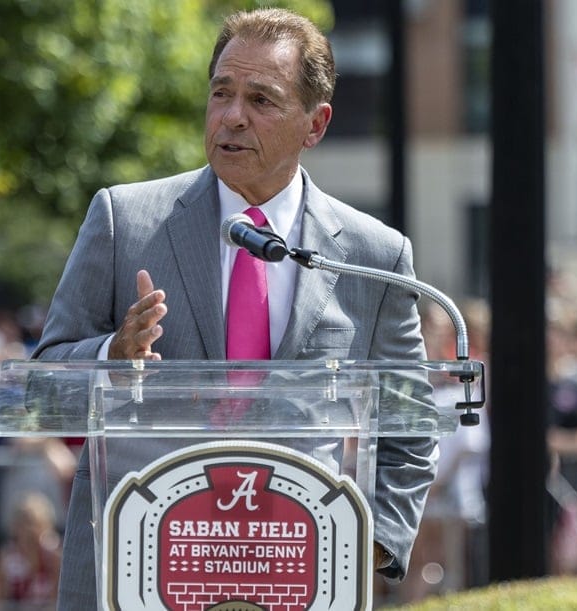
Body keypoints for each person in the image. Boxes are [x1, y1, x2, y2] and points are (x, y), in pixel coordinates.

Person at [32, 8, 436, 608]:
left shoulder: (371, 256)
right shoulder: (125, 221)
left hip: (301, 575)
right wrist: (112, 356)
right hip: (139, 572)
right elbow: (42, 389)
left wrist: (365, 543)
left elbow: (412, 426)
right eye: (221, 93)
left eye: (262, 100)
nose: (232, 116)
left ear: (315, 124)